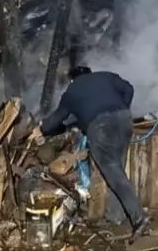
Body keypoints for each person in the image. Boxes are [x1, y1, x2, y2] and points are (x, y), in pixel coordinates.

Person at [30, 65, 150, 240]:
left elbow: (58, 117)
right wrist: (123, 108)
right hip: (124, 120)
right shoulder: (106, 75)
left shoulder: (71, 91)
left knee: (113, 172)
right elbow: (128, 88)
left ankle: (140, 218)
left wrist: (41, 129)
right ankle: (115, 217)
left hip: (100, 127)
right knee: (117, 171)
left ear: (72, 79)